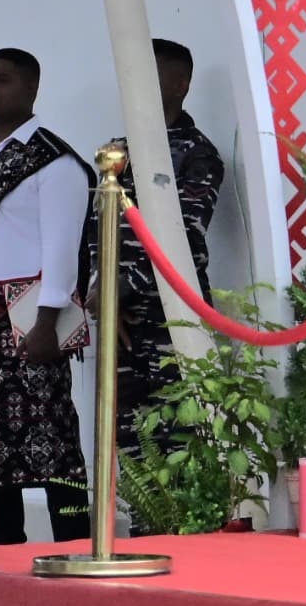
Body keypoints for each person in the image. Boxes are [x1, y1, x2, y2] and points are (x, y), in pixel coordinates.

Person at [0, 50, 94, 543]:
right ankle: (5, 545)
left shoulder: (54, 161)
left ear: (32, 88)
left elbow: (62, 249)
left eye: (2, 80)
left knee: (53, 439)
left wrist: (46, 322)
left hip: (29, 318)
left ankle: (74, 541)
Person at [81, 39, 225, 440]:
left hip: (172, 318)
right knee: (129, 444)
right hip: (122, 321)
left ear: (180, 85)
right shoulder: (118, 152)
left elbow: (186, 237)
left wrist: (122, 288)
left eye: (150, 73)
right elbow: (97, 230)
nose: (136, 83)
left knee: (183, 439)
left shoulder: (197, 154)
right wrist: (101, 292)